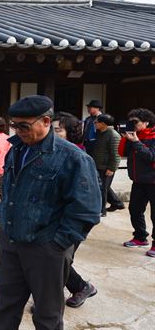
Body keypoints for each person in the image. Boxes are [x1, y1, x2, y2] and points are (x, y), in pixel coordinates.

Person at [0, 95, 101, 330]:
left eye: (23, 126)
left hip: (47, 247)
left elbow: (87, 210)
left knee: (47, 313)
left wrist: (58, 244)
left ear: (46, 121)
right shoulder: (16, 148)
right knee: (5, 302)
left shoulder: (73, 158)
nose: (18, 131)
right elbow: (8, 189)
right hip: (13, 240)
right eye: (14, 126)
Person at [50, 111, 99, 309]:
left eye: (58, 130)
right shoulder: (52, 154)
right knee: (57, 262)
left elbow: (87, 205)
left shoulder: (79, 159)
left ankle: (52, 301)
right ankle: (82, 286)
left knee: (56, 261)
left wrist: (66, 233)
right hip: (51, 221)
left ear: (71, 133)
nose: (52, 134)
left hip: (68, 224)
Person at [118, 108, 155, 257]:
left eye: (136, 122)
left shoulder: (152, 136)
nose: (133, 125)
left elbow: (151, 156)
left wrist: (137, 142)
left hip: (153, 181)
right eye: (131, 122)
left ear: (147, 122)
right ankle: (140, 237)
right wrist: (125, 139)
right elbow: (123, 153)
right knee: (135, 209)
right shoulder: (135, 136)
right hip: (138, 180)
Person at [92, 114, 124, 216]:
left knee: (102, 189)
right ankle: (117, 203)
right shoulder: (101, 132)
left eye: (96, 122)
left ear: (103, 124)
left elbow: (116, 153)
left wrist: (112, 168)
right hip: (98, 165)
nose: (94, 123)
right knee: (104, 186)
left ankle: (101, 211)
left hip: (106, 167)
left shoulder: (113, 135)